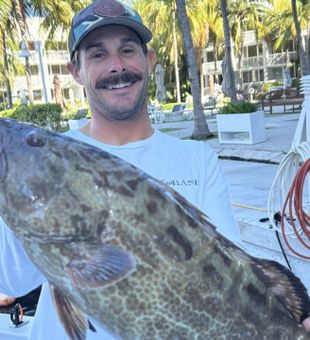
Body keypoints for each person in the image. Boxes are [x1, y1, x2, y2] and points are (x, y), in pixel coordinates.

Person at [0, 0, 309, 338]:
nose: (117, 66)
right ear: (76, 72)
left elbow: (233, 267)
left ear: (148, 60)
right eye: (98, 55)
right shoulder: (56, 158)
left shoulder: (196, 158)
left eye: (127, 50)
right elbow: (12, 281)